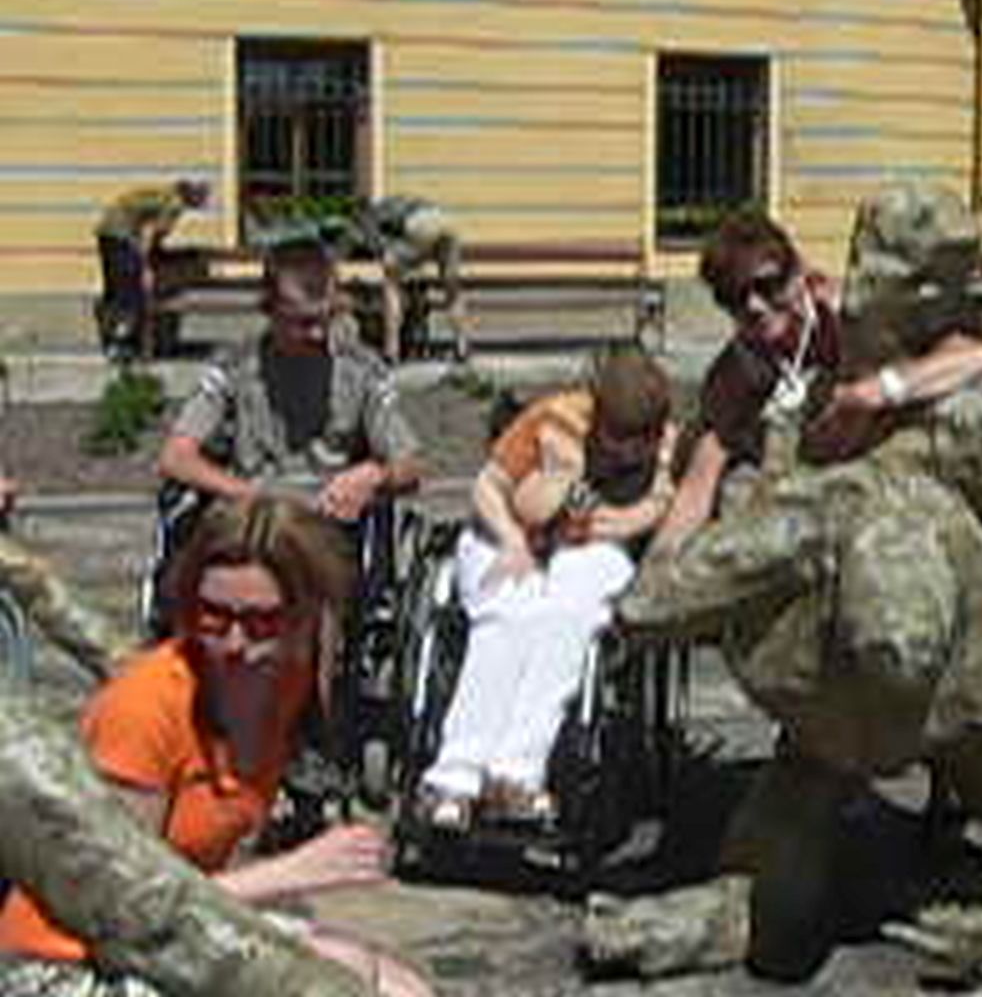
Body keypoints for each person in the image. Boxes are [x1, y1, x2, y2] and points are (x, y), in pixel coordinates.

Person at [0, 496, 435, 996]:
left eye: (261, 622)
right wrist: (292, 872)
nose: (235, 643)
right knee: (341, 978)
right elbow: (123, 907)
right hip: (65, 961)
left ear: (304, 616)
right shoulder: (148, 705)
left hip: (176, 936)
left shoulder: (286, 685)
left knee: (400, 986)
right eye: (213, 616)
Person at [418, 347, 676, 829]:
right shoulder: (551, 421)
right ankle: (454, 777)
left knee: (570, 622)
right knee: (508, 617)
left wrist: (605, 525)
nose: (629, 452)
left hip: (585, 547)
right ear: (597, 414)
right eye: (619, 437)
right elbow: (488, 488)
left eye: (641, 439)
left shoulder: (665, 445)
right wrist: (516, 539)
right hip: (503, 535)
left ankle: (515, 774)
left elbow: (656, 506)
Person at [653, 208, 982, 552]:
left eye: (767, 285)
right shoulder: (738, 369)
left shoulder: (849, 313)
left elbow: (976, 356)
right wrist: (659, 568)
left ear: (798, 272)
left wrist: (878, 389)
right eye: (733, 296)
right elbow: (699, 482)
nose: (754, 305)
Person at [158, 238, 422, 524]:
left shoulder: (362, 371)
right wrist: (248, 495)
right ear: (269, 310)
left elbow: (410, 466)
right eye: (304, 323)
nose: (319, 334)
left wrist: (376, 475)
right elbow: (175, 458)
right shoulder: (233, 370)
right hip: (252, 514)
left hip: (333, 518)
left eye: (328, 317)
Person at [94, 177, 210, 359]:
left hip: (107, 230)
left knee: (116, 287)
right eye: (200, 199)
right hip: (120, 233)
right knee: (130, 291)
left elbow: (150, 230)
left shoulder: (165, 195)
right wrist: (147, 261)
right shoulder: (174, 204)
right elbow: (155, 234)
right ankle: (123, 342)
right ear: (192, 197)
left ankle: (115, 338)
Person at [355, 195, 469, 362]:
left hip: (419, 224)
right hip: (446, 222)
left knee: (391, 284)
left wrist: (391, 260)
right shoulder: (397, 202)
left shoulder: (371, 215)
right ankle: (462, 345)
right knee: (451, 291)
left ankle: (391, 350)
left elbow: (379, 247)